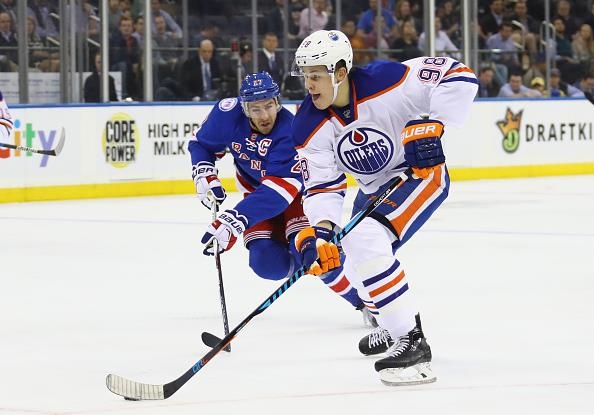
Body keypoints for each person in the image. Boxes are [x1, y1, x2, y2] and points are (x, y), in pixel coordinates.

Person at [290, 30, 478, 385]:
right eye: (305, 75)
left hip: (419, 174)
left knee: (364, 238)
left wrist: (434, 123)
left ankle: (412, 341)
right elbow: (322, 184)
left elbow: (459, 75)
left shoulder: (387, 79)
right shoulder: (307, 123)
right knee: (350, 253)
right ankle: (393, 324)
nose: (309, 84)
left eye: (316, 74)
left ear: (340, 71)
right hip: (375, 188)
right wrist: (323, 231)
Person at [188, 71, 375, 325]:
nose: (264, 116)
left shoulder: (291, 131)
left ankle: (363, 301)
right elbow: (201, 144)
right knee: (266, 264)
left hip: (296, 196)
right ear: (244, 108)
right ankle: (303, 261)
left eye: (269, 106)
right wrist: (204, 171)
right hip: (256, 194)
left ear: (277, 102)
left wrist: (234, 220)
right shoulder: (226, 114)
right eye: (255, 109)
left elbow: (278, 193)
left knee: (314, 254)